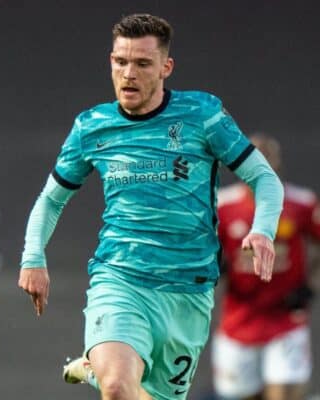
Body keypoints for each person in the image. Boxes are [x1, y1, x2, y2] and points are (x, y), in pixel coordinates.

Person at [18, 13, 283, 400]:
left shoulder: (202, 115)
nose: (129, 73)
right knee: (118, 389)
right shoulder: (92, 127)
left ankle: (91, 370)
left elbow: (265, 179)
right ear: (110, 61)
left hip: (187, 292)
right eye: (121, 62)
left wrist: (263, 229)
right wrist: (32, 257)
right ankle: (103, 374)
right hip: (121, 278)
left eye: (142, 63)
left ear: (165, 67)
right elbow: (51, 199)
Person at [211, 134, 320, 400]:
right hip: (239, 320)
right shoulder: (223, 206)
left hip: (285, 318)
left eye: (268, 158)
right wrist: (214, 268)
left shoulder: (301, 203)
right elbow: (201, 252)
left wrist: (311, 285)